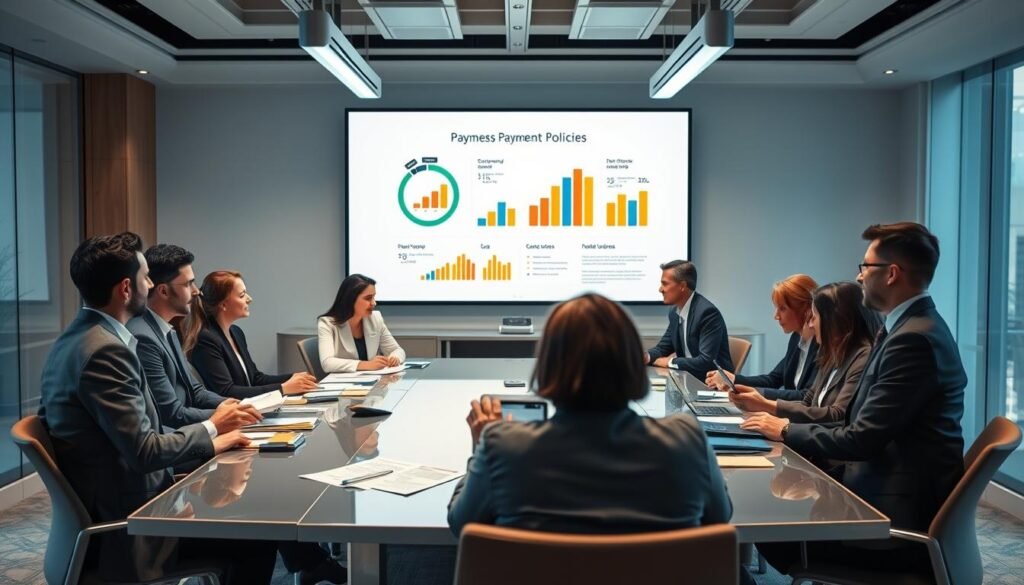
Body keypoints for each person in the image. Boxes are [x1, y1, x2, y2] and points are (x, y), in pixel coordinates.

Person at [37, 232, 278, 584]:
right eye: (146, 277)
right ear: (125, 289)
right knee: (259, 536)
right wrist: (211, 431)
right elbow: (144, 450)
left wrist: (212, 439)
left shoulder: (77, 340)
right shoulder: (105, 351)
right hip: (130, 527)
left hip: (128, 503)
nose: (150, 285)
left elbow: (139, 433)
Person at [756, 222, 967, 574]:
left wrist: (783, 430)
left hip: (889, 521)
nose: (858, 277)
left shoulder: (912, 339)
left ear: (892, 274)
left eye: (865, 267)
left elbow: (862, 438)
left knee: (761, 520)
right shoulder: (906, 328)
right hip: (878, 489)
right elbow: (853, 420)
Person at [448, 293, 732, 536]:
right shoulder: (685, 440)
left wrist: (480, 445)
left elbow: (461, 523)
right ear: (632, 362)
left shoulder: (504, 447)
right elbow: (720, 517)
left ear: (548, 366)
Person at [127, 244, 258, 433]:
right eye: (188, 284)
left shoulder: (168, 330)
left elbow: (195, 391)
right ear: (163, 291)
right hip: (176, 442)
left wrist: (232, 405)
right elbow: (170, 413)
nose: (196, 291)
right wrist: (222, 416)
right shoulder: (143, 338)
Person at [730, 282, 877, 426]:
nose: (811, 324)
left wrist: (778, 421)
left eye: (815, 317)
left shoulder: (862, 357)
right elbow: (808, 401)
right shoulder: (833, 352)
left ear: (834, 320)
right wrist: (764, 404)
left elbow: (837, 415)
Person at [183, 270, 319, 399]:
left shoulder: (236, 332)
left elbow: (255, 379)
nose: (249, 299)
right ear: (223, 304)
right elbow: (226, 391)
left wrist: (294, 377)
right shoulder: (206, 339)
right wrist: (283, 388)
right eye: (242, 295)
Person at [707, 274, 819, 402]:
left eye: (782, 309)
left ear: (806, 310)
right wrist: (734, 379)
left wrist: (755, 393)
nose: (776, 316)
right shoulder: (796, 338)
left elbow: (806, 397)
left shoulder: (822, 345)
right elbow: (774, 379)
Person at [644, 260, 733, 376]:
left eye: (665, 284)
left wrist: (670, 362)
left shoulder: (707, 313)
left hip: (712, 383)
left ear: (682, 286)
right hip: (687, 378)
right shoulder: (674, 312)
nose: (660, 289)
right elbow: (663, 348)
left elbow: (706, 361)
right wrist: (646, 357)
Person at [318, 274, 405, 373]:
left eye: (373, 297)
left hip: (373, 382)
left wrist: (394, 358)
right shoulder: (327, 324)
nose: (374, 303)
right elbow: (327, 363)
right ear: (350, 299)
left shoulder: (375, 318)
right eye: (368, 298)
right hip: (344, 384)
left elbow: (397, 350)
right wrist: (366, 365)